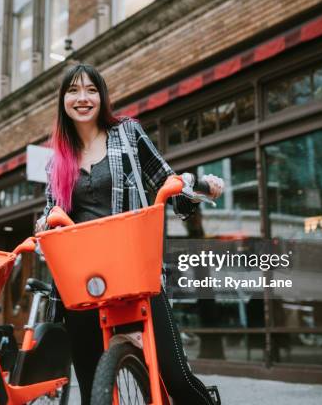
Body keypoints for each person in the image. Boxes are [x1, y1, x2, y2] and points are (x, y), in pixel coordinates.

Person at [37, 63, 224, 405]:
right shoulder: (56, 160)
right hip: (84, 282)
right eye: (74, 91)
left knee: (175, 377)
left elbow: (164, 179)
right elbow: (51, 213)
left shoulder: (127, 133)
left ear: (102, 97)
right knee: (93, 387)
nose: (83, 98)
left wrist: (201, 187)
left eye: (91, 90)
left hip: (134, 272)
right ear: (63, 100)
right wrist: (45, 222)